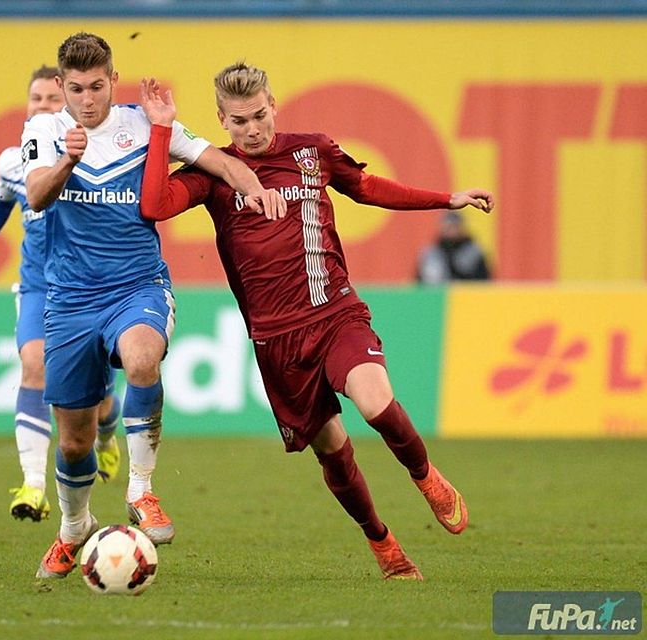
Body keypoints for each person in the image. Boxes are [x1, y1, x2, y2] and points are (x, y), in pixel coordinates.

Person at [139, 63, 495, 580]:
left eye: (260, 115)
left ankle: (426, 477)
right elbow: (153, 204)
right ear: (222, 120)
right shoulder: (214, 175)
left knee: (375, 402)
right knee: (332, 449)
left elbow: (368, 187)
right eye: (239, 122)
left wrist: (447, 199)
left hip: (334, 313)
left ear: (273, 105)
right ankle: (384, 544)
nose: (253, 129)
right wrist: (161, 129)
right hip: (276, 339)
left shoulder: (312, 150)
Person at [22, 34, 284, 579]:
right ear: (62, 88)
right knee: (73, 442)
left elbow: (216, 159)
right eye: (75, 89)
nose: (87, 99)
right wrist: (68, 163)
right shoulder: (44, 131)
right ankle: (73, 528)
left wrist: (254, 186)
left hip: (136, 286)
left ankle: (142, 491)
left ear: (112, 81)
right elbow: (37, 195)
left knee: (143, 358)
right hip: (69, 298)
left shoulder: (138, 124)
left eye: (97, 86)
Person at [0, 65, 123, 524]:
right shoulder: (14, 162)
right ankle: (33, 484)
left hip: (89, 289)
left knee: (100, 405)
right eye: (37, 99)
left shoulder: (97, 156)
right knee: (34, 364)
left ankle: (108, 438)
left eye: (53, 99)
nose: (44, 106)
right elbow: (0, 199)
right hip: (39, 286)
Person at [416, 210, 491, 283]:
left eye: (454, 226)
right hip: (438, 294)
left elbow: (484, 283)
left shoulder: (474, 253)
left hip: (466, 294)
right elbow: (419, 284)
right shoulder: (431, 254)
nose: (451, 230)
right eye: (448, 226)